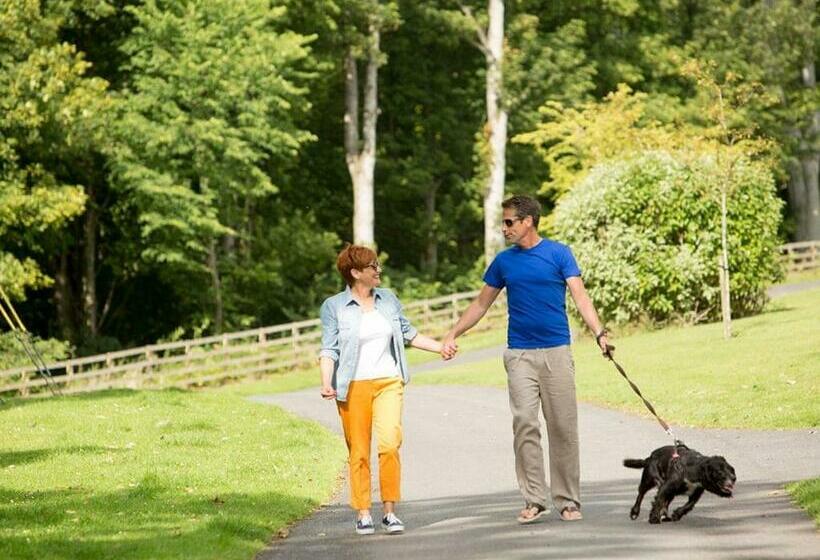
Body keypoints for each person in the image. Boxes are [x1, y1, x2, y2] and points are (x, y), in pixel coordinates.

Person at [442, 195, 610, 524]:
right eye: (504, 222)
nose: (504, 228)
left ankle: (567, 500)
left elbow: (581, 296)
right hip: (519, 354)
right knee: (525, 425)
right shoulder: (504, 263)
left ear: (527, 221)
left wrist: (600, 333)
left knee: (562, 427)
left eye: (509, 222)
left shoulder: (559, 253)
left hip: (556, 352)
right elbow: (480, 305)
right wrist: (452, 334)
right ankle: (534, 498)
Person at [319, 244, 455, 536]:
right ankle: (364, 512)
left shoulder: (389, 300)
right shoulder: (334, 307)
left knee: (390, 443)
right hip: (352, 386)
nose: (378, 270)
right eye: (372, 267)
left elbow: (409, 333)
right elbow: (329, 349)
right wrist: (326, 381)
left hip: (389, 380)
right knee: (359, 451)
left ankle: (390, 512)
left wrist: (439, 347)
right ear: (355, 273)